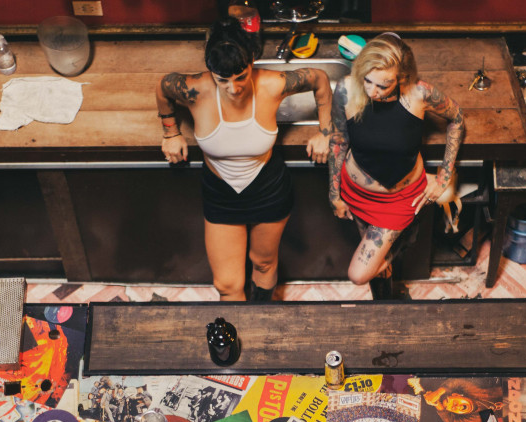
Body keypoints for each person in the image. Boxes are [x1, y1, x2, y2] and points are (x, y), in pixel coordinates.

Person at [157, 18, 332, 302]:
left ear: (252, 60)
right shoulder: (194, 89)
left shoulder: (273, 84)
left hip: (268, 189)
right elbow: (163, 87)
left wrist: (325, 131)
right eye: (222, 80)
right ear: (210, 70)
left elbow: (320, 80)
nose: (234, 88)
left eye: (240, 76)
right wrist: (170, 132)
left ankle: (261, 317)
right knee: (227, 284)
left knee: (263, 263)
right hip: (220, 194)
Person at [328, 33, 465, 299]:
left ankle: (391, 288)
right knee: (378, 267)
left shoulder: (419, 94)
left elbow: (457, 118)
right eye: (367, 80)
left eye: (383, 85)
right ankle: (386, 303)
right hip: (356, 193)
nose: (371, 91)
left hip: (399, 199)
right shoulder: (347, 88)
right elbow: (339, 139)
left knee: (359, 273)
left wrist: (444, 176)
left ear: (401, 77)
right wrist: (334, 194)